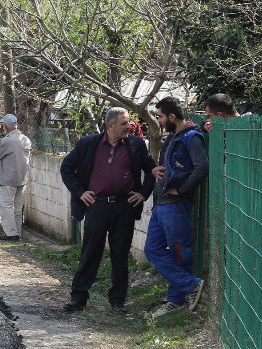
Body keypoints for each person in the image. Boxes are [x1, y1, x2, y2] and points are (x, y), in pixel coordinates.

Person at [60, 107, 156, 314]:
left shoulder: (136, 145)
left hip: (124, 207)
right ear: (110, 126)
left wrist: (143, 194)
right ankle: (78, 298)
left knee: (120, 254)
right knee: (90, 251)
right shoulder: (89, 144)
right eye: (124, 123)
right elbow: (66, 168)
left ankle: (117, 301)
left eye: (129, 122)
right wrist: (80, 192)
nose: (129, 126)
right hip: (97, 205)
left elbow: (151, 170)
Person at [145, 96, 209, 317]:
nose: (159, 121)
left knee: (180, 253)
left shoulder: (192, 138)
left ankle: (176, 299)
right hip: (161, 204)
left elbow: (201, 168)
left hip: (176, 205)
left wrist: (182, 191)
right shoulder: (172, 137)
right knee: (152, 250)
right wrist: (156, 171)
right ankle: (190, 285)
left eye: (161, 116)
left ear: (172, 116)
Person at [0, 114, 32, 241]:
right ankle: (17, 232)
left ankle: (10, 233)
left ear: (5, 126)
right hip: (22, 178)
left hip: (9, 178)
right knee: (18, 207)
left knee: (6, 205)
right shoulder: (26, 139)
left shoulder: (8, 140)